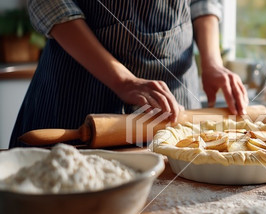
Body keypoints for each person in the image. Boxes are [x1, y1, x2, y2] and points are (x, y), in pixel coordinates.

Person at [9, 0, 248, 148]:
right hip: (74, 94)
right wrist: (123, 80)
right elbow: (49, 3)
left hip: (176, 94)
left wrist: (212, 62)